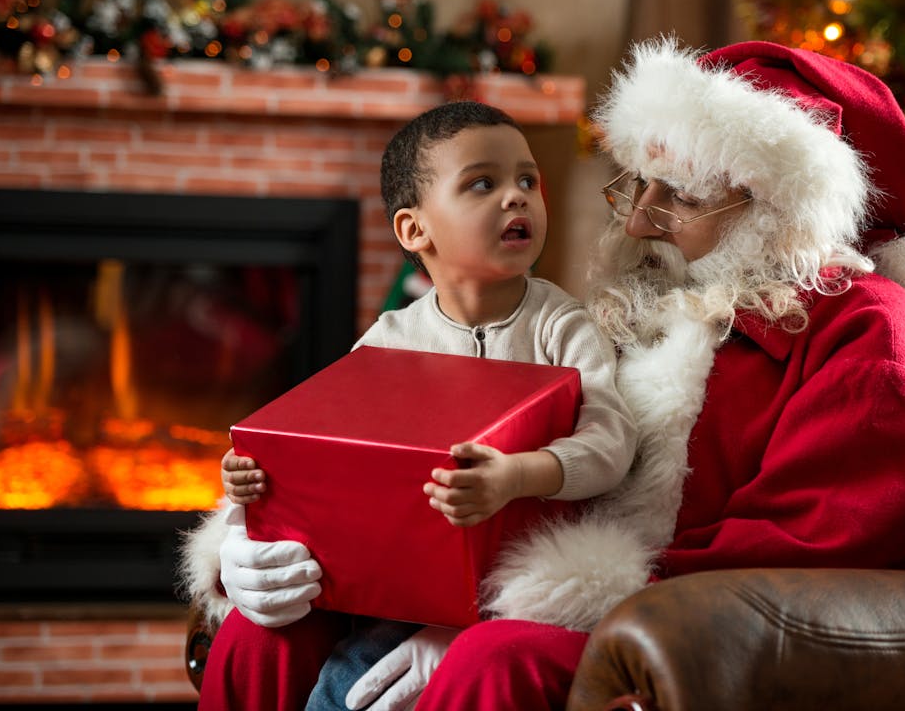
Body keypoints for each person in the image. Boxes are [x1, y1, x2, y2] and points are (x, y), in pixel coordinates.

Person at [364, 37, 905, 710]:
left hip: (749, 635)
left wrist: (510, 607)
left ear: (775, 214)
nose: (637, 219)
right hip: (637, 609)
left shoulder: (870, 339)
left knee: (497, 657)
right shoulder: (658, 305)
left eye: (679, 197)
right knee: (280, 628)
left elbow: (794, 555)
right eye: (637, 184)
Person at [180, 100, 637, 711]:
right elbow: (333, 456)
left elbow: (611, 441)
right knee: (329, 675)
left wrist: (519, 474)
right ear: (414, 230)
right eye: (483, 183)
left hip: (509, 586)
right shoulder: (388, 340)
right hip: (391, 586)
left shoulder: (563, 327)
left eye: (528, 179)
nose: (517, 197)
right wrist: (252, 491)